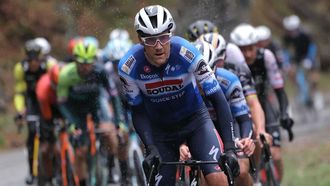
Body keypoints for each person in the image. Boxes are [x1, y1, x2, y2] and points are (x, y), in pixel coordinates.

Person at [118, 5, 239, 186]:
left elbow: (218, 98)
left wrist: (230, 148)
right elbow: (138, 111)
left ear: (171, 35)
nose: (159, 46)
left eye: (164, 37)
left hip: (196, 123)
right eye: (151, 40)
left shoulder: (187, 53)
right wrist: (150, 148)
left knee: (216, 180)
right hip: (160, 132)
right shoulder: (129, 67)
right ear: (140, 40)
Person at [181, 40, 255, 186]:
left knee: (241, 171)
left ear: (215, 68)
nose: (201, 81)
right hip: (198, 129)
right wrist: (182, 144)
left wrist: (245, 138)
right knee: (206, 177)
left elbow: (243, 119)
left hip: (228, 126)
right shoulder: (181, 86)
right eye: (195, 76)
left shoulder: (229, 81)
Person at [230, 23, 294, 183]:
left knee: (276, 155)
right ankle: (256, 177)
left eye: (251, 48)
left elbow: (279, 89)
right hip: (241, 109)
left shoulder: (266, 56)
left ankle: (278, 182)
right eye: (242, 49)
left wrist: (285, 113)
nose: (247, 53)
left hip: (263, 105)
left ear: (257, 45)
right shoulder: (231, 63)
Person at [57, 41, 118, 186]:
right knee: (80, 152)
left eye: (88, 63)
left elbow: (113, 96)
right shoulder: (66, 74)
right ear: (75, 61)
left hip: (95, 106)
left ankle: (110, 169)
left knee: (110, 134)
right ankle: (83, 182)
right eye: (80, 63)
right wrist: (71, 123)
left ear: (94, 61)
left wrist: (118, 120)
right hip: (75, 111)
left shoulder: (100, 71)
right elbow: (62, 103)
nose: (85, 67)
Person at [13, 39, 56, 184]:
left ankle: (56, 168)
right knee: (32, 136)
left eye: (36, 60)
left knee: (50, 135)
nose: (34, 63)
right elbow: (19, 92)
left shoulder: (49, 65)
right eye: (30, 60)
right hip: (32, 102)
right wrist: (20, 110)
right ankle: (32, 172)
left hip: (48, 101)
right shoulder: (20, 68)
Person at [282, 14, 319, 108]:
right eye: (290, 30)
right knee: (293, 73)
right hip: (297, 58)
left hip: (309, 57)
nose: (291, 32)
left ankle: (314, 93)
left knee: (313, 77)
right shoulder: (287, 37)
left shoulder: (305, 34)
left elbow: (312, 47)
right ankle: (300, 89)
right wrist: (286, 62)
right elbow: (286, 51)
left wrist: (309, 59)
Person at [35, 63, 63, 184]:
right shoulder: (42, 90)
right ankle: (49, 177)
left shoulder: (68, 81)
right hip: (47, 108)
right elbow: (47, 117)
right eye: (55, 86)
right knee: (47, 148)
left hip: (64, 104)